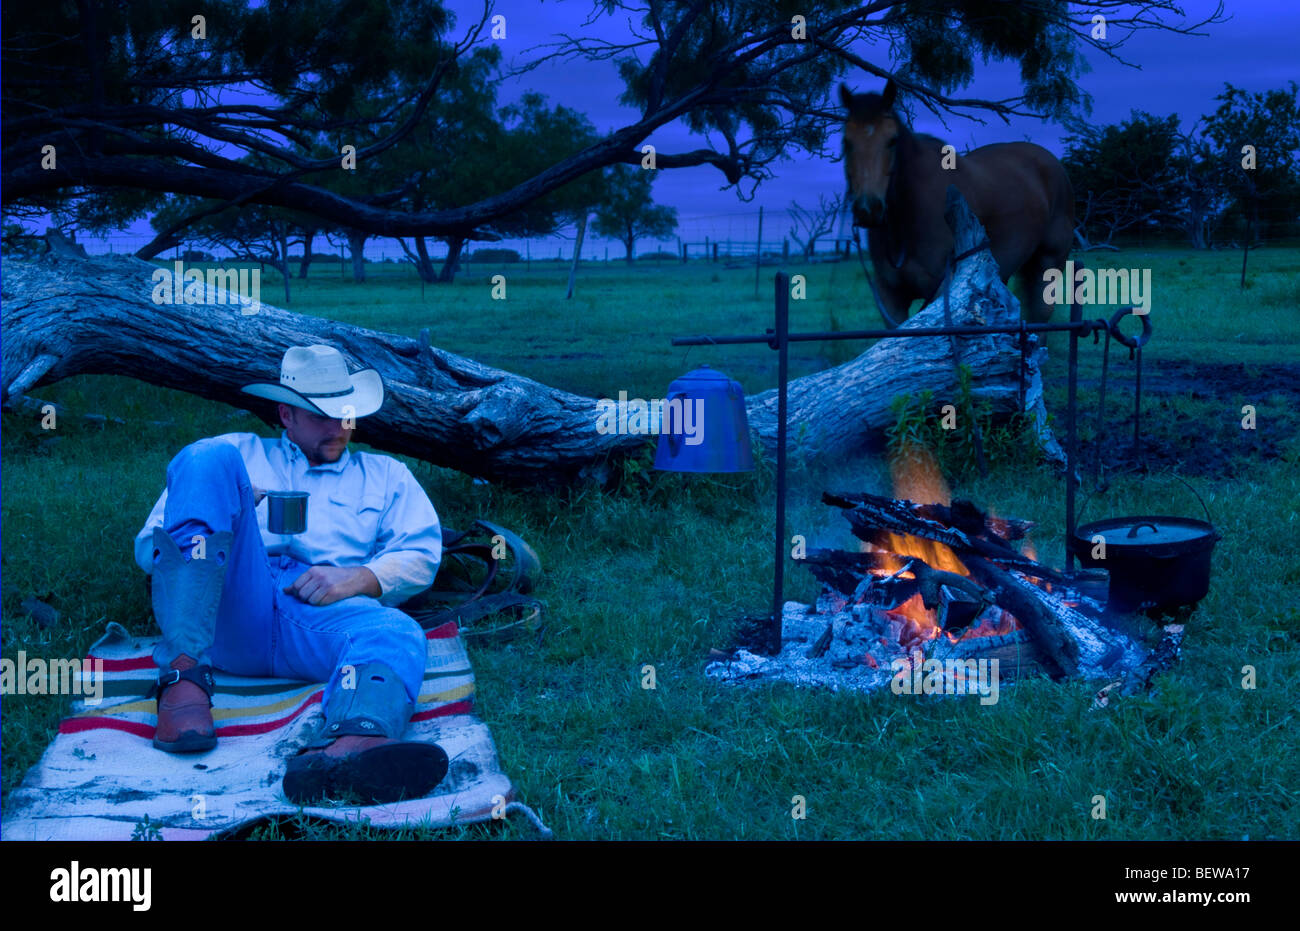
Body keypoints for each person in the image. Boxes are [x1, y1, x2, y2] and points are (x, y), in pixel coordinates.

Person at [133, 344, 448, 805]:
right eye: (322, 416)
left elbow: (422, 550)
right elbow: (150, 550)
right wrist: (232, 514)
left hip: (322, 617)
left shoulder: (384, 475)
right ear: (286, 414)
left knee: (396, 631)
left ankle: (351, 749)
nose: (340, 427)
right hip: (230, 609)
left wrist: (358, 577)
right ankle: (183, 686)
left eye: (346, 414)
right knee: (204, 456)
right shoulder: (237, 455)